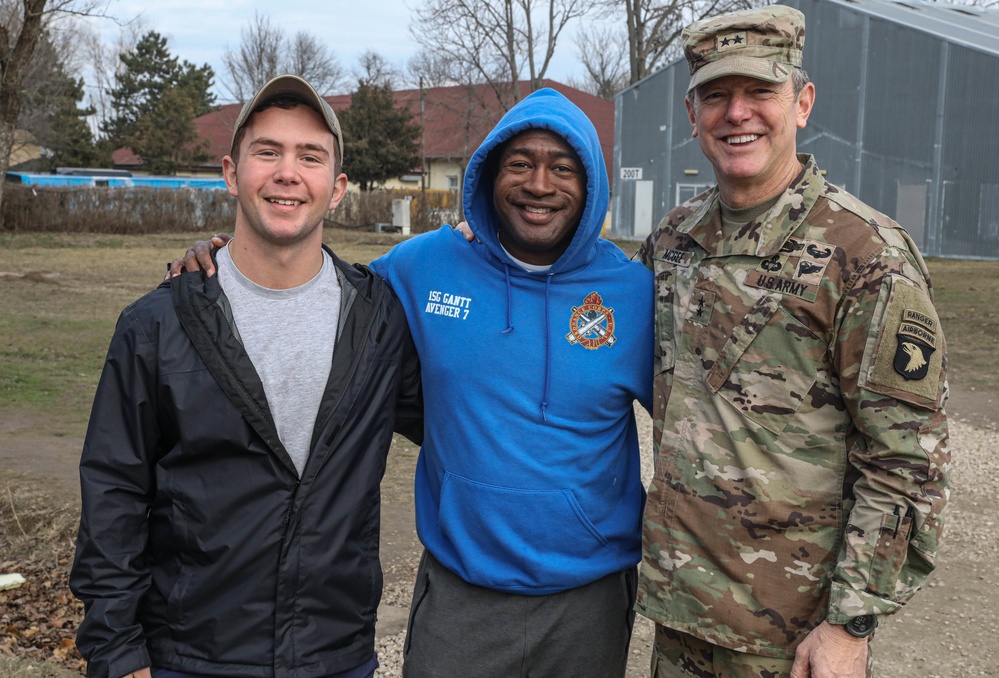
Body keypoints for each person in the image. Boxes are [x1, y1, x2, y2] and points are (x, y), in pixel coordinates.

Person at [177, 88, 654, 678]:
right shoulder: (423, 266)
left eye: (562, 168)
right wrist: (224, 256)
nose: (539, 184)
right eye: (520, 164)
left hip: (589, 597)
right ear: (487, 174)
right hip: (460, 592)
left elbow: (696, 433)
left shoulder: (633, 293)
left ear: (592, 185)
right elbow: (319, 288)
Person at [70, 75, 423, 678]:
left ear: (336, 189)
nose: (288, 173)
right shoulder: (159, 324)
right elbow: (113, 493)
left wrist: (484, 249)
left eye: (310, 157)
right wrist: (117, 652)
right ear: (232, 173)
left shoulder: (381, 322)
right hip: (189, 657)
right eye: (268, 152)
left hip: (333, 658)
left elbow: (460, 424)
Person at [635, 6, 950, 678]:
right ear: (691, 116)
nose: (736, 113)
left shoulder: (863, 253)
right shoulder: (672, 241)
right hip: (681, 619)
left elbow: (905, 461)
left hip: (793, 640)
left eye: (760, 92)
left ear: (801, 103)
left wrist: (850, 624)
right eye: (715, 95)